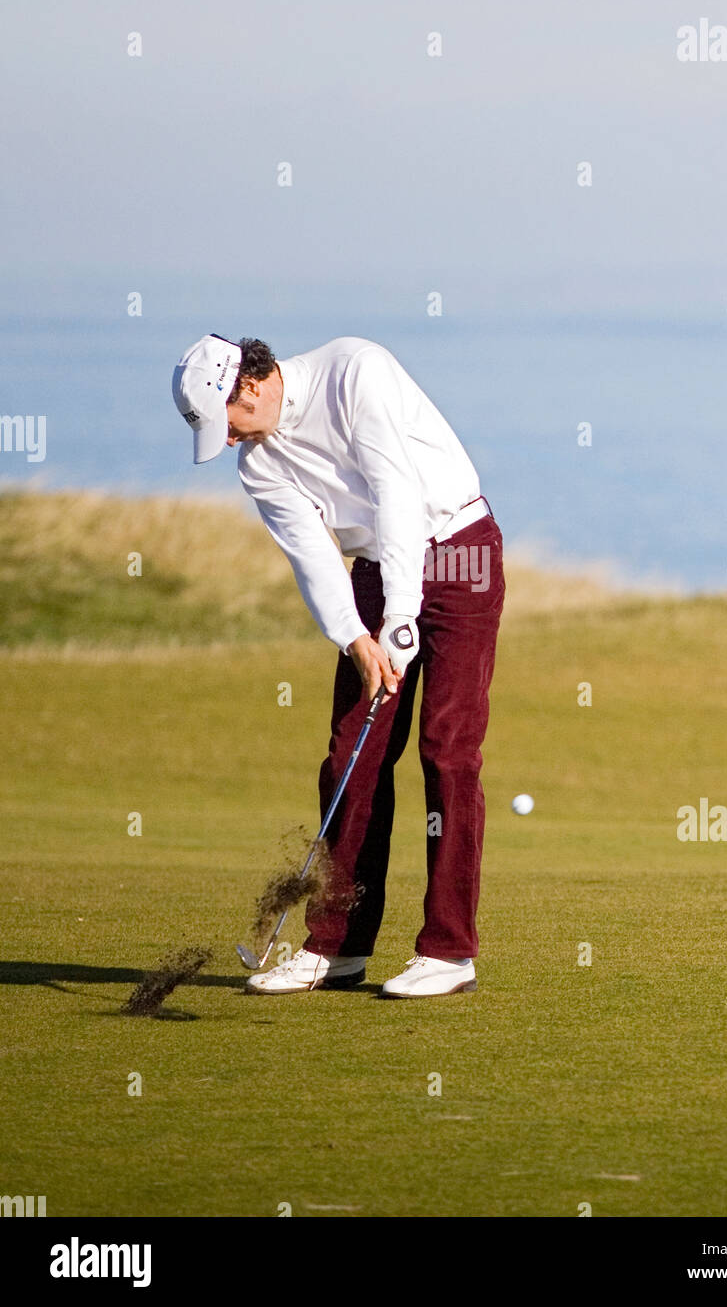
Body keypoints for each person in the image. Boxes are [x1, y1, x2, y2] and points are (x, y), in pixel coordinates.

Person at [171, 332, 504, 997]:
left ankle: (448, 951)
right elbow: (313, 557)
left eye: (228, 423)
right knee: (353, 751)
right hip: (376, 575)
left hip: (461, 554)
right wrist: (357, 636)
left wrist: (403, 615)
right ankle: (337, 945)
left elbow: (396, 489)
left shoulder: (356, 370)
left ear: (251, 386)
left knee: (448, 752)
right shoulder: (259, 463)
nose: (230, 441)